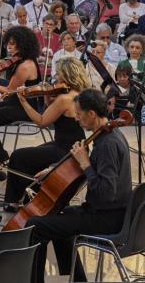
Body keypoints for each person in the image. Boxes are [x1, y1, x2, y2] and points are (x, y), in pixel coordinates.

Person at [25, 88, 132, 281]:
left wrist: (84, 163)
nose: (76, 119)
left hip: (107, 217)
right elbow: (96, 175)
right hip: (108, 212)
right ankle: (77, 278)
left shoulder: (107, 144)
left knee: (35, 225)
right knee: (57, 216)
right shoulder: (108, 135)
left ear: (92, 114)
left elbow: (105, 193)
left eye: (79, 115)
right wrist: (56, 170)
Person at [4, 56, 87, 210]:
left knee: (18, 156)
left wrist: (23, 102)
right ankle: (31, 195)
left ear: (66, 74)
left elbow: (42, 122)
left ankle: (15, 201)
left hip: (64, 149)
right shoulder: (80, 93)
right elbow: (53, 112)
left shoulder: (65, 98)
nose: (55, 77)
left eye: (58, 74)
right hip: (74, 145)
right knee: (34, 153)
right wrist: (48, 97)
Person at [0, 25, 42, 163]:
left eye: (12, 44)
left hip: (25, 108)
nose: (8, 47)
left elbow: (9, 91)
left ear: (23, 45)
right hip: (14, 103)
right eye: (8, 44)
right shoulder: (18, 60)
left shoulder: (25, 66)